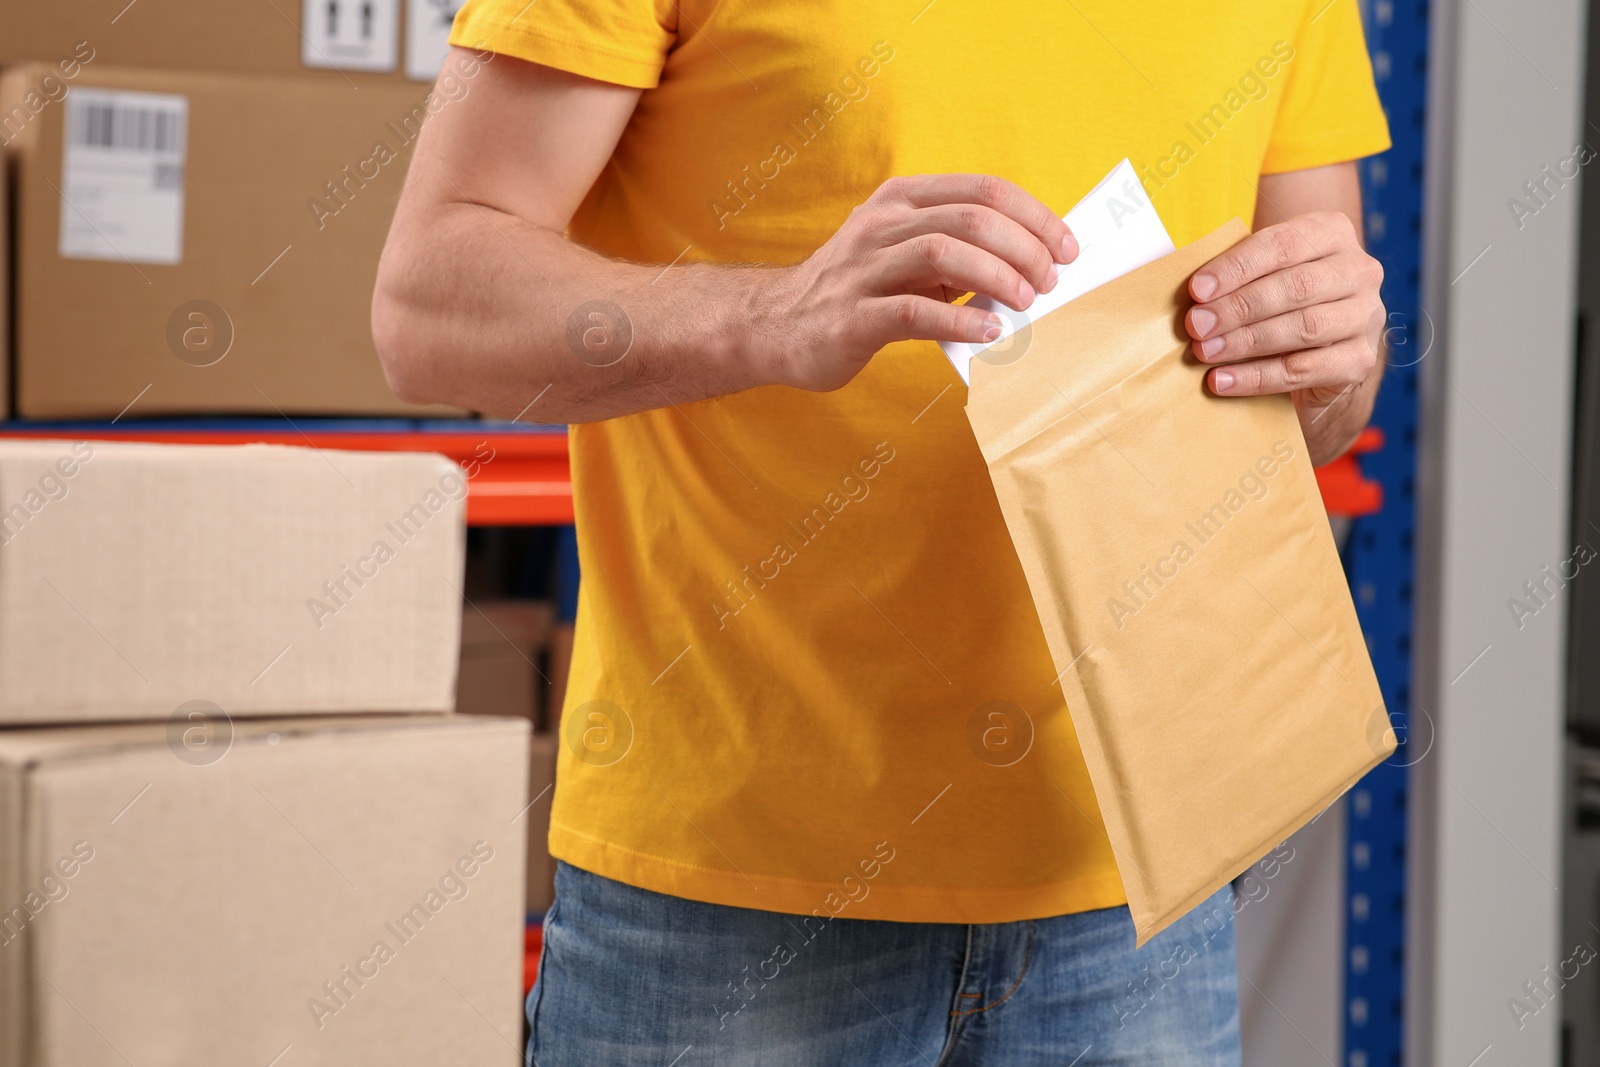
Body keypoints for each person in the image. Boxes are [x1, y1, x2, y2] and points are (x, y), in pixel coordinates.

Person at [373, 1, 1389, 1062]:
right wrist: (771, 314)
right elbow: (425, 305)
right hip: (728, 893)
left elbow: (1318, 404)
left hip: (1138, 885)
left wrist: (1332, 351)